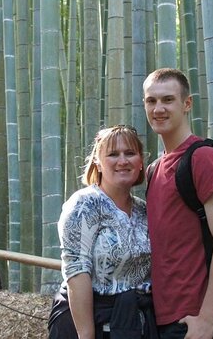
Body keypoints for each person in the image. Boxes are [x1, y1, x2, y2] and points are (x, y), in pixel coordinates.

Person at [143, 68, 213, 339]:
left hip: (195, 320)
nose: (158, 108)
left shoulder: (201, 157)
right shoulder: (153, 169)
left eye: (168, 100)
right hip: (163, 316)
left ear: (187, 104)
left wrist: (207, 319)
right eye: (151, 101)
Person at [48, 125, 158, 339]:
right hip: (88, 322)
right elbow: (76, 271)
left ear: (141, 161)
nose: (123, 161)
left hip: (133, 322)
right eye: (113, 154)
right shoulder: (84, 205)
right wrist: (86, 335)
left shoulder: (144, 210)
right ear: (97, 161)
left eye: (130, 153)